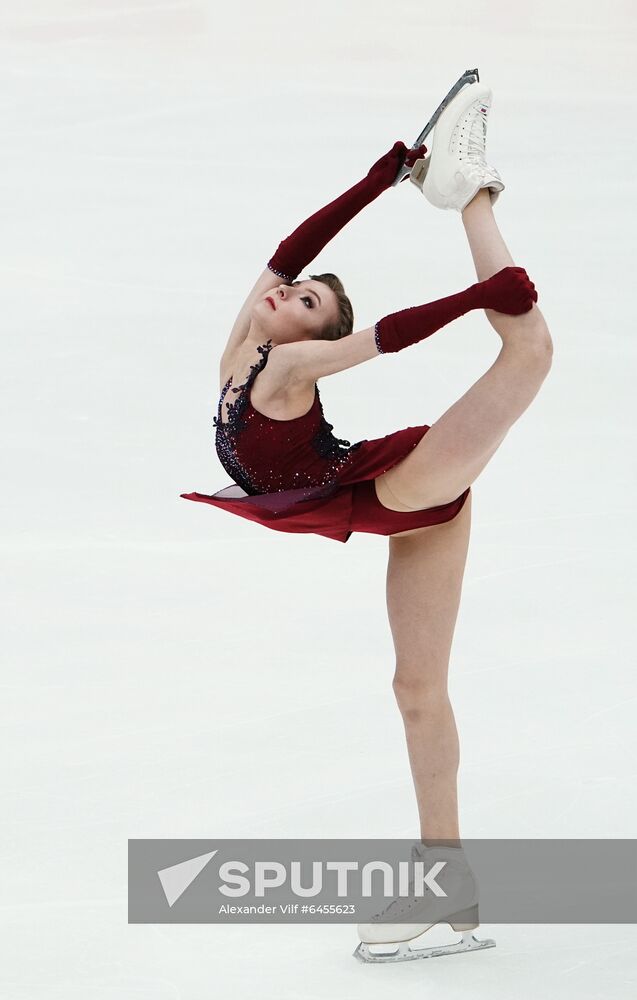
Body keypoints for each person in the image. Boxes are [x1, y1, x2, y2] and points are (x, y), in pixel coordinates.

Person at [181, 80, 553, 960]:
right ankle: (449, 881)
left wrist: (483, 294)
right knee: (414, 691)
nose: (292, 293)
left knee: (528, 345)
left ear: (312, 336)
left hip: (400, 486)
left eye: (309, 302)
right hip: (392, 509)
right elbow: (293, 246)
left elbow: (381, 335)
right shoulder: (242, 347)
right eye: (297, 292)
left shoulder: (288, 366)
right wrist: (377, 176)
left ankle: (476, 190)